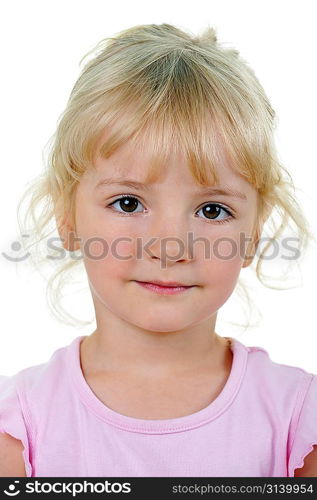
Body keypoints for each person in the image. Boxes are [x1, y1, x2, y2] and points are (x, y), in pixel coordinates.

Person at [0, 23, 316, 478]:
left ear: (254, 234)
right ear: (67, 220)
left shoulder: (298, 421)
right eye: (127, 203)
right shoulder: (21, 424)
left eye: (211, 210)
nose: (170, 248)